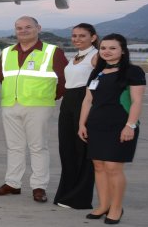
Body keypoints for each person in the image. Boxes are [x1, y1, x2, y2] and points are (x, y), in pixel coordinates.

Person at [0, 16, 68, 203]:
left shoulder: (52, 51)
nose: (23, 31)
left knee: (38, 147)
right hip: (10, 104)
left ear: (38, 28)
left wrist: (50, 96)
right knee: (14, 147)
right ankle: (12, 183)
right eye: (19, 28)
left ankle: (39, 186)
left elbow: (64, 80)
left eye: (28, 27)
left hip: (38, 106)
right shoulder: (6, 52)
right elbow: (2, 77)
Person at [78, 34, 146, 224]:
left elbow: (137, 101)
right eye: (103, 48)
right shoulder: (97, 72)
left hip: (120, 125)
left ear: (122, 50)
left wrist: (130, 125)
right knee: (99, 166)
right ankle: (104, 205)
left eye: (112, 48)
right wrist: (82, 124)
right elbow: (88, 100)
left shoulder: (133, 71)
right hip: (96, 125)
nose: (106, 51)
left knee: (113, 167)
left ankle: (116, 208)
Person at [54, 23, 99, 209]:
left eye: (82, 36)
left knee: (82, 150)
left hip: (84, 100)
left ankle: (80, 198)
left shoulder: (95, 56)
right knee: (67, 149)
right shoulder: (76, 57)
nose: (77, 39)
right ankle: (67, 193)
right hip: (68, 102)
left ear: (93, 37)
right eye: (74, 36)